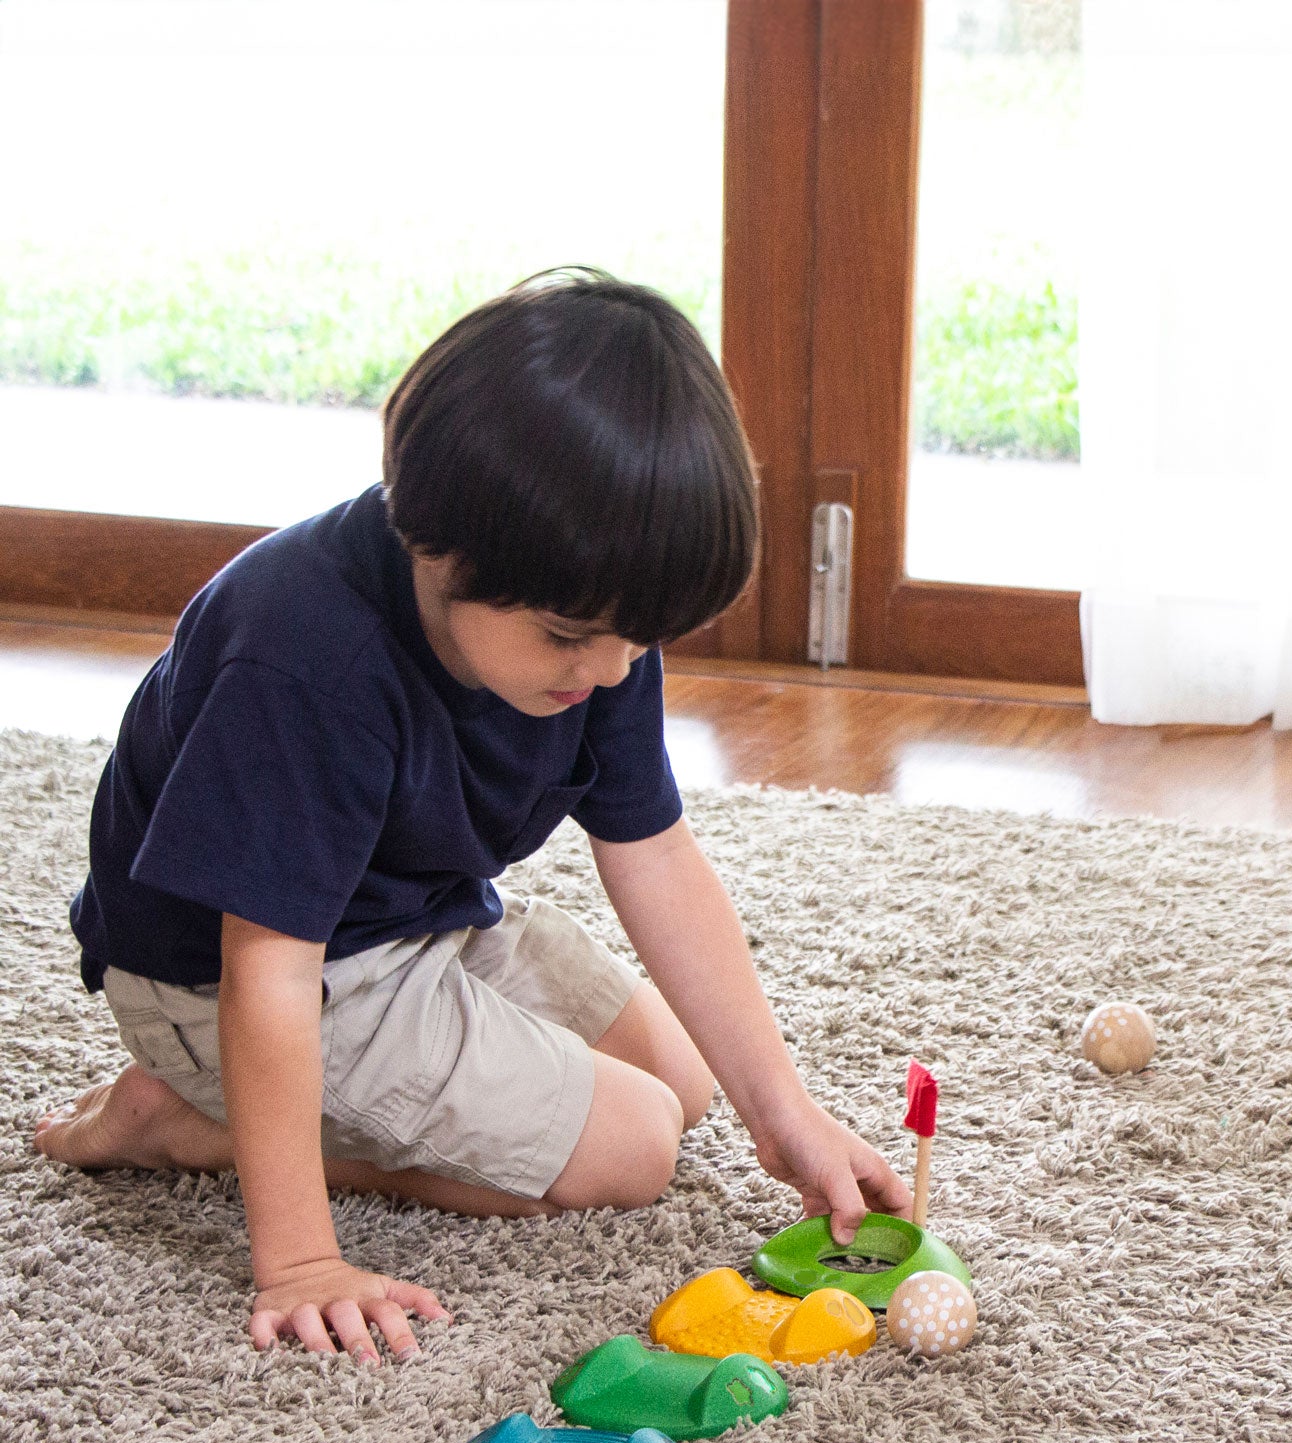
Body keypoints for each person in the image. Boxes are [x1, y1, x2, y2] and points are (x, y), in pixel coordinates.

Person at [34, 269, 909, 1364]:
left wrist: (786, 1112)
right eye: (570, 638)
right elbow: (268, 963)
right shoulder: (305, 654)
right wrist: (300, 1257)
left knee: (684, 1086)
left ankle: (237, 1116)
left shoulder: (596, 614)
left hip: (418, 920)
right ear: (432, 546)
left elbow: (654, 853)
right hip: (225, 978)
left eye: (637, 640)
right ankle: (185, 1126)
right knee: (633, 1148)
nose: (607, 671)